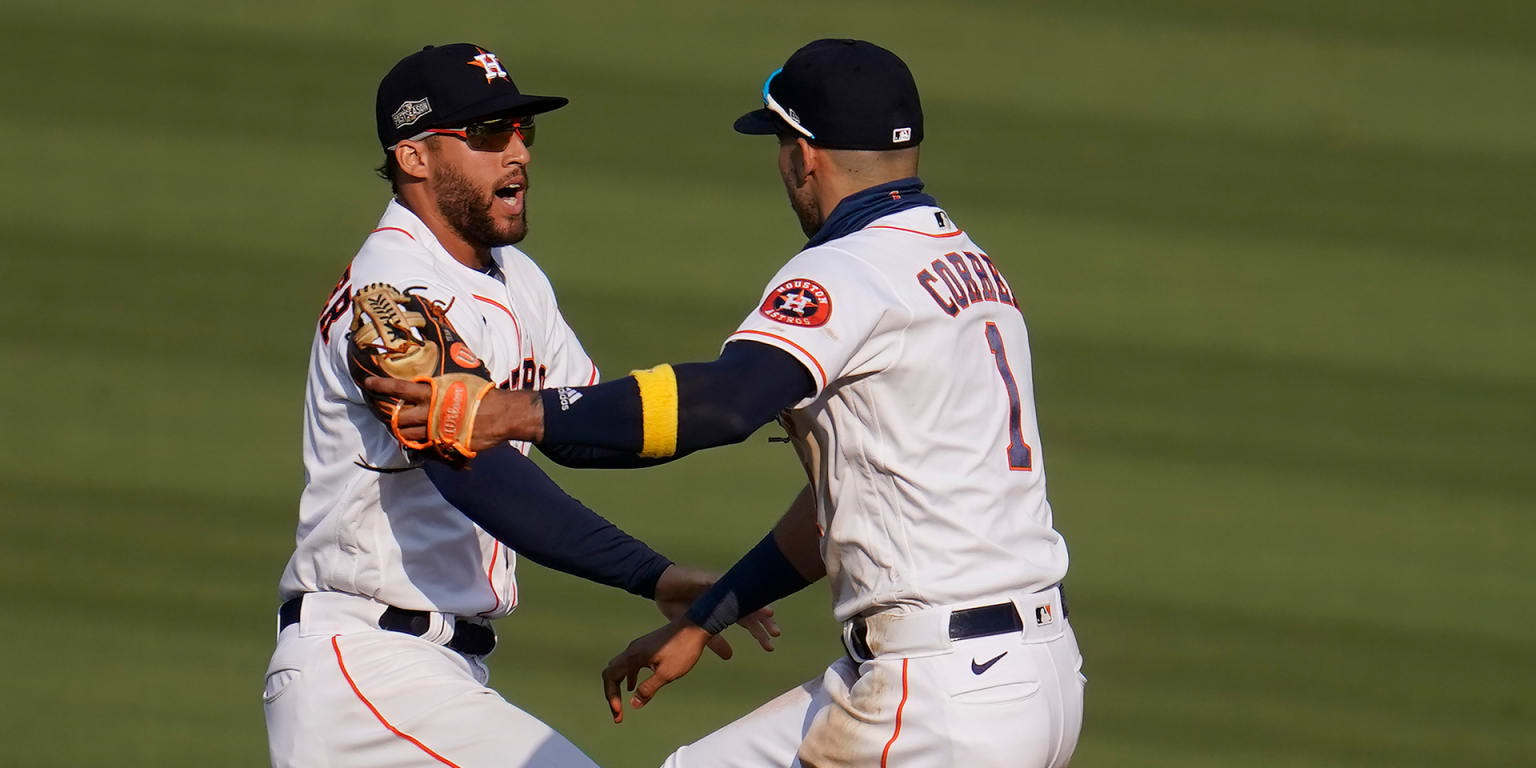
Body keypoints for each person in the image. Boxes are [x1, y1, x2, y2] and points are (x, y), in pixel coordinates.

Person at [370, 38, 1084, 768]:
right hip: (1032, 670)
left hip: (940, 692)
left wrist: (514, 412)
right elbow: (848, 504)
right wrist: (711, 613)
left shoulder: (850, 269)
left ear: (803, 155)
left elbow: (724, 402)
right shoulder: (970, 269)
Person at [266, 42, 775, 768]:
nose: (518, 154)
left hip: (433, 675)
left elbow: (586, 428)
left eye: (521, 131)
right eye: (486, 135)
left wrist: (746, 397)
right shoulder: (392, 304)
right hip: (366, 671)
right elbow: (482, 475)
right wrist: (650, 574)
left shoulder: (514, 278)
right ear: (414, 157)